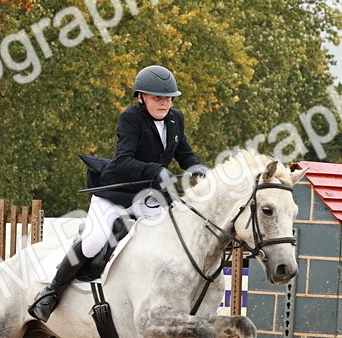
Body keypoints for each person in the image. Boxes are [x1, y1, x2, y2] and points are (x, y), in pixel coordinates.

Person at [28, 65, 208, 322]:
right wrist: (157, 170)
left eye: (168, 97)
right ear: (140, 97)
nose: (164, 102)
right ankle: (50, 292)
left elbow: (185, 155)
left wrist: (201, 170)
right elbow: (123, 161)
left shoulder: (175, 119)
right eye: (157, 97)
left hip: (148, 198)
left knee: (170, 240)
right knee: (92, 242)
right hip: (116, 194)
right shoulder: (130, 118)